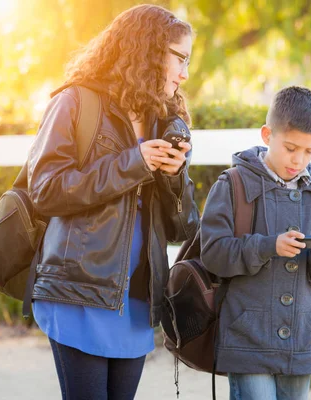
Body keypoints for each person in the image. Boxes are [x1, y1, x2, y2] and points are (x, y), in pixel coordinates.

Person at [26, 4, 198, 399]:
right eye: (180, 58)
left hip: (135, 300)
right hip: (77, 293)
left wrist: (173, 178)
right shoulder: (75, 102)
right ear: (149, 50)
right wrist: (134, 162)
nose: (185, 73)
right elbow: (46, 189)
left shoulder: (165, 120)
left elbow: (181, 228)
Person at [200, 86, 311, 400]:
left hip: (301, 342)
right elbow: (212, 254)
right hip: (247, 337)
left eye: (309, 152)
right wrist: (268, 246)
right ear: (267, 135)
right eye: (291, 148)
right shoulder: (233, 184)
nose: (299, 160)